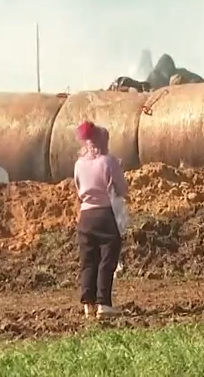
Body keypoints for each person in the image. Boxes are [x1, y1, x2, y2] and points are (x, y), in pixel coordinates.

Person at [75, 121, 129, 318]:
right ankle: (103, 303)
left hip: (85, 216)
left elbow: (78, 190)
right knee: (107, 260)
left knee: (88, 260)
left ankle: (88, 303)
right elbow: (122, 189)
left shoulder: (79, 164)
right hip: (105, 214)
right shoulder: (109, 161)